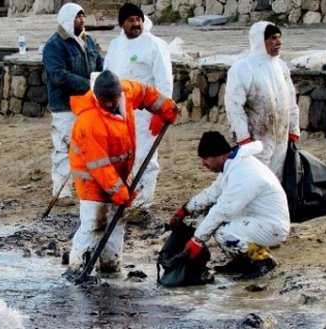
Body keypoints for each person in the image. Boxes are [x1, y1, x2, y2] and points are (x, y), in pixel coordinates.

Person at [66, 70, 180, 275]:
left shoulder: (126, 92)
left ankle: (110, 266)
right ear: (97, 97)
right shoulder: (89, 122)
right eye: (105, 101)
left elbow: (146, 93)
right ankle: (76, 269)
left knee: (117, 220)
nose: (110, 105)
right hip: (91, 179)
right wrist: (121, 194)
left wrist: (165, 107)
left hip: (118, 173)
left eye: (113, 99)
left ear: (119, 94)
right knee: (95, 223)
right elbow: (100, 167)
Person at [166, 131, 290, 279]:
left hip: (271, 226)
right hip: (255, 218)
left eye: (206, 158)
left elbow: (222, 211)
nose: (203, 164)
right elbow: (212, 193)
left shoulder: (243, 172)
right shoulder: (233, 164)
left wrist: (197, 240)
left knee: (223, 233)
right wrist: (185, 210)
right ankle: (242, 261)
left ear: (219, 155)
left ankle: (262, 261)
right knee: (210, 221)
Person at [103, 2, 173, 211]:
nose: (135, 24)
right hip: (119, 112)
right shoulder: (116, 45)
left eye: (138, 19)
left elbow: (164, 80)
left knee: (145, 157)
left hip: (146, 114)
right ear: (122, 24)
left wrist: (162, 112)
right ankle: (126, 196)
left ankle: (143, 203)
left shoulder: (154, 45)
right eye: (130, 20)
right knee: (121, 156)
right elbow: (107, 74)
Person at [42, 3, 104, 205]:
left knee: (88, 146)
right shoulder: (55, 45)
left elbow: (101, 64)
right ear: (68, 19)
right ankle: (61, 193)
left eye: (83, 16)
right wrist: (91, 85)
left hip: (87, 104)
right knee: (64, 146)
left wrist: (104, 81)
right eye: (78, 17)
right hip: (65, 106)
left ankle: (85, 187)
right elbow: (59, 76)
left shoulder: (88, 41)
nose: (82, 20)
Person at [225, 21, 301, 181]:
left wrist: (294, 128)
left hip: (281, 136)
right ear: (261, 40)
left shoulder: (281, 67)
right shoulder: (243, 68)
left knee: (278, 179)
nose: (279, 42)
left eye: (279, 37)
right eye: (273, 38)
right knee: (257, 180)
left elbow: (290, 98)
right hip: (257, 138)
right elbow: (234, 106)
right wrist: (243, 137)